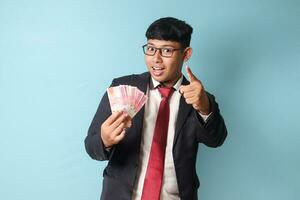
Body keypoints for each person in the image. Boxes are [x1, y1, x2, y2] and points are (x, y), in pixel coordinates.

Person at [84, 17, 227, 200]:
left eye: (166, 51)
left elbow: (216, 140)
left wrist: (204, 107)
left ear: (186, 54)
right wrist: (104, 140)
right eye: (151, 49)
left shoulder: (198, 98)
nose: (156, 59)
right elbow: (91, 146)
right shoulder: (122, 88)